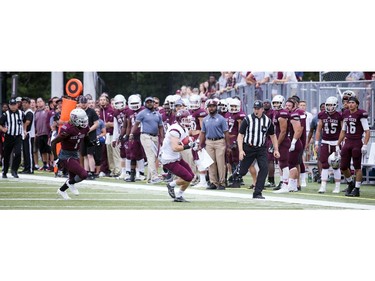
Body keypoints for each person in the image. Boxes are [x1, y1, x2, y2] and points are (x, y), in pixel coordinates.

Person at [230, 100, 280, 199]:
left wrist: (276, 149)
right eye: (255, 108)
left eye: (258, 109)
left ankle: (257, 192)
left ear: (262, 109)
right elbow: (240, 135)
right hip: (248, 147)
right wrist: (241, 150)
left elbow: (273, 136)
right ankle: (236, 174)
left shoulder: (267, 121)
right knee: (243, 171)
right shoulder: (247, 119)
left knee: (264, 168)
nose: (256, 111)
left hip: (261, 148)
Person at [52, 108, 90, 200]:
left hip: (75, 153)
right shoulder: (67, 129)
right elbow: (53, 142)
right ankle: (71, 183)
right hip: (66, 155)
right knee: (83, 174)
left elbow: (86, 141)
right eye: (82, 120)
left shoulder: (85, 128)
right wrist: (56, 158)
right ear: (75, 120)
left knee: (74, 178)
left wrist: (94, 142)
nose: (84, 122)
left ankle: (61, 190)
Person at [159, 109, 196, 202]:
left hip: (176, 157)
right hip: (169, 159)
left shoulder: (183, 128)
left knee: (191, 176)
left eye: (189, 120)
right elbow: (175, 147)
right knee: (187, 177)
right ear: (180, 120)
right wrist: (188, 146)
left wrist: (193, 142)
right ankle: (171, 184)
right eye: (186, 120)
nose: (188, 122)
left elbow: (186, 139)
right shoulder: (175, 130)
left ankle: (179, 196)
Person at [337, 96, 370, 197]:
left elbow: (367, 131)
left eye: (352, 103)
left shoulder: (360, 114)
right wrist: (338, 143)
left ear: (356, 104)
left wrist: (365, 145)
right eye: (349, 102)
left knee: (357, 167)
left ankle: (357, 188)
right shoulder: (345, 113)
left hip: (356, 142)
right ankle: (350, 183)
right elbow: (343, 130)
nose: (350, 104)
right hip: (347, 142)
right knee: (343, 166)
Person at [130, 96, 164, 183]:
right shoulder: (142, 113)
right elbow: (136, 124)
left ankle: (149, 178)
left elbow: (160, 127)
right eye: (147, 102)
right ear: (145, 103)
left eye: (151, 102)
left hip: (155, 137)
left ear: (153, 103)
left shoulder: (158, 114)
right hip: (146, 136)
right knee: (150, 155)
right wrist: (131, 133)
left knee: (154, 156)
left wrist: (162, 138)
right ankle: (154, 176)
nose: (149, 103)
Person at [198, 99, 231, 190]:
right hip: (209, 141)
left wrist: (228, 145)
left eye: (213, 106)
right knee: (210, 162)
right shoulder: (205, 119)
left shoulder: (221, 119)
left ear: (216, 107)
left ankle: (222, 182)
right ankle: (213, 182)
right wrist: (200, 144)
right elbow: (203, 132)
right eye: (210, 107)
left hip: (219, 141)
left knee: (220, 162)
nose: (211, 108)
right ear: (207, 108)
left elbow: (226, 132)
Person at [314, 96, 343, 193]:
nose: (330, 107)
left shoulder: (339, 115)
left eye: (332, 105)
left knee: (336, 164)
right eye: (328, 105)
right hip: (325, 141)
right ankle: (323, 186)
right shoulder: (322, 115)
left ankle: (337, 186)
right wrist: (316, 142)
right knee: (324, 163)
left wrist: (340, 143)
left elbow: (343, 130)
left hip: (336, 142)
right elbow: (318, 130)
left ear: (336, 105)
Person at [0, 98, 24, 178]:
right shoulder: (6, 114)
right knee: (6, 155)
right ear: (9, 106)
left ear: (17, 105)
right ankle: (5, 171)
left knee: (18, 153)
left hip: (18, 136)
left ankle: (14, 170)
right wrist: (3, 129)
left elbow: (25, 122)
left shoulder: (21, 113)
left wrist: (24, 130)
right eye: (11, 105)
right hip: (9, 136)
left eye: (14, 105)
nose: (13, 106)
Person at [78, 96, 99, 180]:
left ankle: (92, 172)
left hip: (90, 135)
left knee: (90, 154)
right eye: (82, 103)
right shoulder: (79, 112)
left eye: (84, 103)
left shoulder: (91, 111)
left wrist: (89, 130)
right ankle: (86, 171)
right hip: (82, 135)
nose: (83, 105)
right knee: (85, 155)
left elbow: (96, 123)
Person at [21, 97, 35, 174]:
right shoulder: (25, 112)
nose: (24, 104)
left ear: (29, 104)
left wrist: (25, 130)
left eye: (25, 103)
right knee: (25, 152)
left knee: (29, 152)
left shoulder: (29, 112)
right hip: (25, 134)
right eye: (23, 103)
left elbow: (27, 122)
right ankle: (26, 168)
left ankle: (30, 168)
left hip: (29, 134)